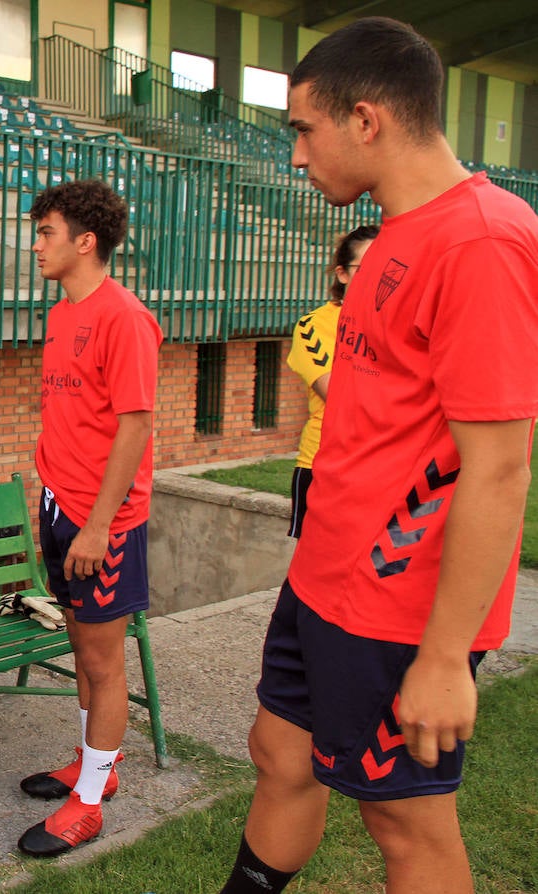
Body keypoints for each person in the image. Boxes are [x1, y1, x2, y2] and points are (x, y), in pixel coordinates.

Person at [220, 18, 538, 894]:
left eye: (302, 129)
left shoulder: (482, 241)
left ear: (366, 120)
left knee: (404, 821)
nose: (295, 155)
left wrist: (444, 657)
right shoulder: (396, 230)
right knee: (279, 752)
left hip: (398, 607)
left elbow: (500, 466)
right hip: (326, 577)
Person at [15, 180, 163, 857]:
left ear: (85, 241)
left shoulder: (124, 318)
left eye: (46, 232)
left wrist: (100, 525)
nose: (37, 244)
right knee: (81, 649)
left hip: (103, 522)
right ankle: (92, 765)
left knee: (103, 664)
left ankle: (90, 805)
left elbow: (136, 426)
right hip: (60, 507)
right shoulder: (61, 314)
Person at [284, 224, 377, 537]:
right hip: (324, 467)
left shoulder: (403, 323)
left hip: (385, 468)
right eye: (366, 268)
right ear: (342, 274)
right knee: (315, 561)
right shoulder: (313, 326)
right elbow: (342, 396)